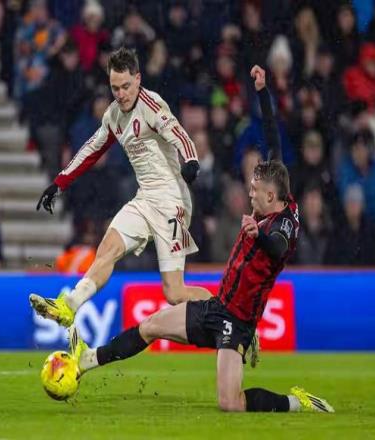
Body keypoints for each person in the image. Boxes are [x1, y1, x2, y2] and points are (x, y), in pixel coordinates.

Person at [66, 66, 334, 414]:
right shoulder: (277, 185)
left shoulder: (282, 226)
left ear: (272, 197)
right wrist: (262, 92)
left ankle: (297, 403)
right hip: (216, 308)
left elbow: (278, 248)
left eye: (255, 191)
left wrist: (259, 236)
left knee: (230, 404)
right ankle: (88, 360)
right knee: (150, 326)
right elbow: (273, 137)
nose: (250, 193)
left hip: (237, 323)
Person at [30, 47, 210, 327]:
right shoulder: (113, 115)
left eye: (126, 86)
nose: (121, 94)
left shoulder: (152, 105)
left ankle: (231, 315)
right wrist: (59, 182)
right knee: (107, 249)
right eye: (115, 88)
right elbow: (91, 149)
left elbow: (179, 134)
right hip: (145, 199)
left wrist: (192, 161)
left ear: (138, 79)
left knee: (174, 293)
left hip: (172, 201)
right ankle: (69, 306)